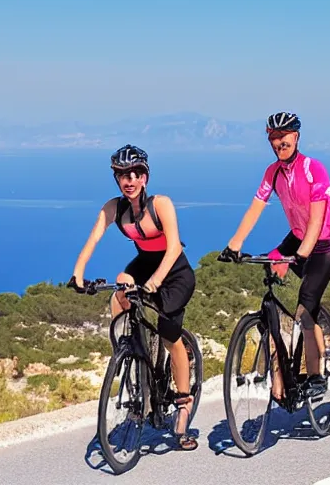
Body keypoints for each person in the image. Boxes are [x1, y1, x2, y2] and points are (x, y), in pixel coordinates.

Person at [67, 144, 197, 450]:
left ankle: (182, 404)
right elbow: (94, 236)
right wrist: (78, 274)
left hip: (175, 272)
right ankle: (131, 352)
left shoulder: (160, 204)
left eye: (136, 173)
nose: (130, 180)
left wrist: (154, 282)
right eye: (123, 175)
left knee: (169, 335)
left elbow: (175, 247)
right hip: (145, 266)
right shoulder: (115, 208)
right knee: (120, 288)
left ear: (145, 177)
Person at [219, 112, 330, 401]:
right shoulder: (272, 172)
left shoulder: (314, 169)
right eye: (273, 137)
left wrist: (302, 254)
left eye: (284, 136)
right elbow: (255, 207)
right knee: (272, 277)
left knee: (305, 310)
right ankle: (280, 371)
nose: (279, 142)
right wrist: (234, 244)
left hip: (322, 243)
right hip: (298, 238)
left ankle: (316, 376)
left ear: (296, 137)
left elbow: (316, 218)